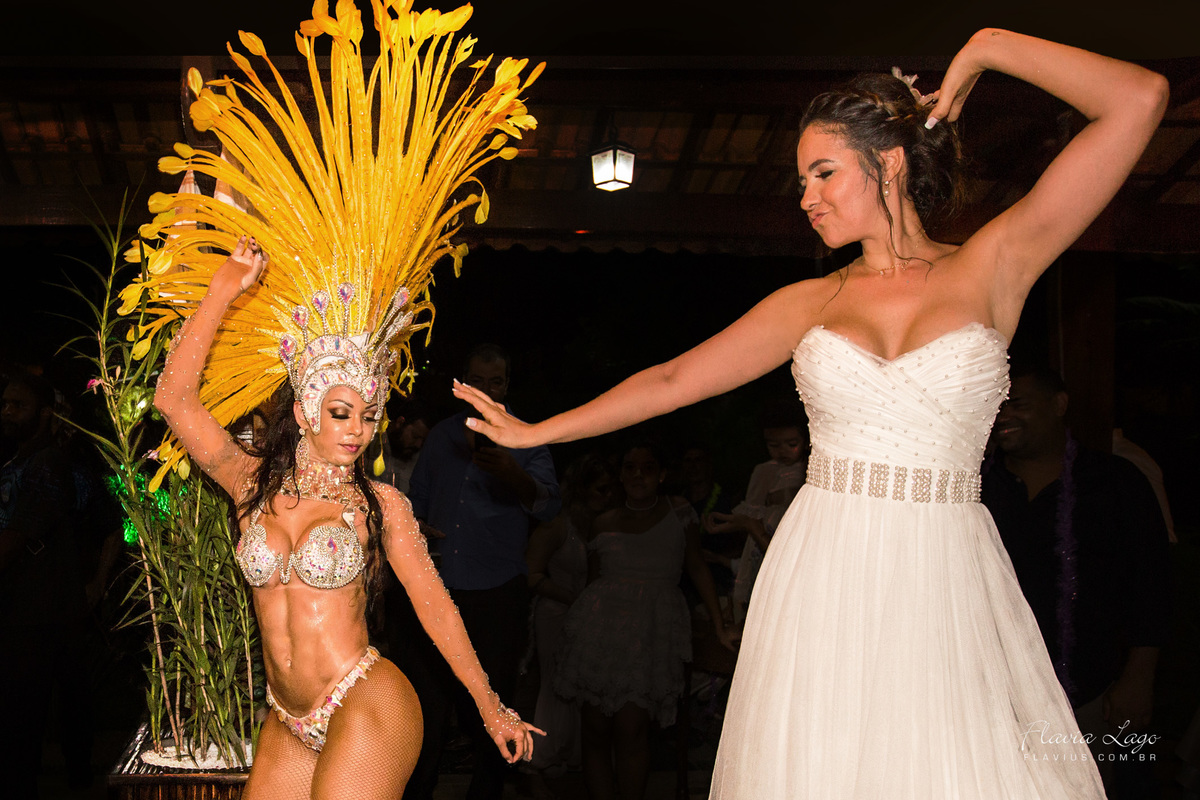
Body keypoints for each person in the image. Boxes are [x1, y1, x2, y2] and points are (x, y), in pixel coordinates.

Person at [453, 29, 1167, 798]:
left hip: (947, 574)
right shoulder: (812, 302)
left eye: (823, 172)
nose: (807, 197)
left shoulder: (994, 264)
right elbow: (672, 378)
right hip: (825, 571)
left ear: (888, 163)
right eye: (801, 181)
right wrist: (538, 432)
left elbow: (1139, 100)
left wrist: (986, 50)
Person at [124, 2, 544, 797]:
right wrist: (221, 290)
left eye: (369, 415)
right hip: (287, 717)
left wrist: (490, 706)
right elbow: (176, 400)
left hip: (367, 700)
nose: (358, 430)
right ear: (308, 411)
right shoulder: (248, 483)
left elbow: (434, 608)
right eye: (342, 413)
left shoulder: (379, 505)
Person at [983, 366, 1172, 797]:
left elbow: (1152, 586)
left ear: (1059, 405)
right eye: (994, 406)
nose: (1002, 416)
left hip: (1087, 692)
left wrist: (1139, 678)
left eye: (1017, 404)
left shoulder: (1116, 483)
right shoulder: (975, 489)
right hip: (990, 692)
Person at [402, 343, 560, 800]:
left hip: (496, 591)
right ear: (463, 385)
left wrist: (513, 473)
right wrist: (418, 526)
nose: (488, 391)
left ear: (506, 386)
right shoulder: (442, 435)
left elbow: (550, 504)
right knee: (426, 703)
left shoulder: (528, 435)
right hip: (437, 588)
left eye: (497, 383)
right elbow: (418, 496)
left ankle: (488, 791)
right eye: (479, 382)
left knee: (493, 702)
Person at [553, 441, 734, 800]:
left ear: (661, 474)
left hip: (650, 630)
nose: (638, 475)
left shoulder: (679, 512)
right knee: (595, 727)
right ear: (621, 475)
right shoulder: (602, 522)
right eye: (630, 468)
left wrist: (718, 624)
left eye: (647, 468)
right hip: (601, 631)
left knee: (632, 726)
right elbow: (593, 584)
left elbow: (697, 567)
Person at [523, 453, 615, 799]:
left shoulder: (606, 523)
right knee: (555, 686)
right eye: (600, 489)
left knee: (585, 689)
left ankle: (574, 761)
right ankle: (539, 763)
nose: (607, 496)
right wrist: (575, 598)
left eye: (611, 490)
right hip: (557, 614)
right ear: (582, 489)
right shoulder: (558, 524)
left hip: (595, 618)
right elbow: (532, 574)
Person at [705, 396, 808, 622]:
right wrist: (723, 524)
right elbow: (749, 513)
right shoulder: (764, 471)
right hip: (765, 538)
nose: (782, 451)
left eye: (791, 444)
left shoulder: (811, 468)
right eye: (773, 445)